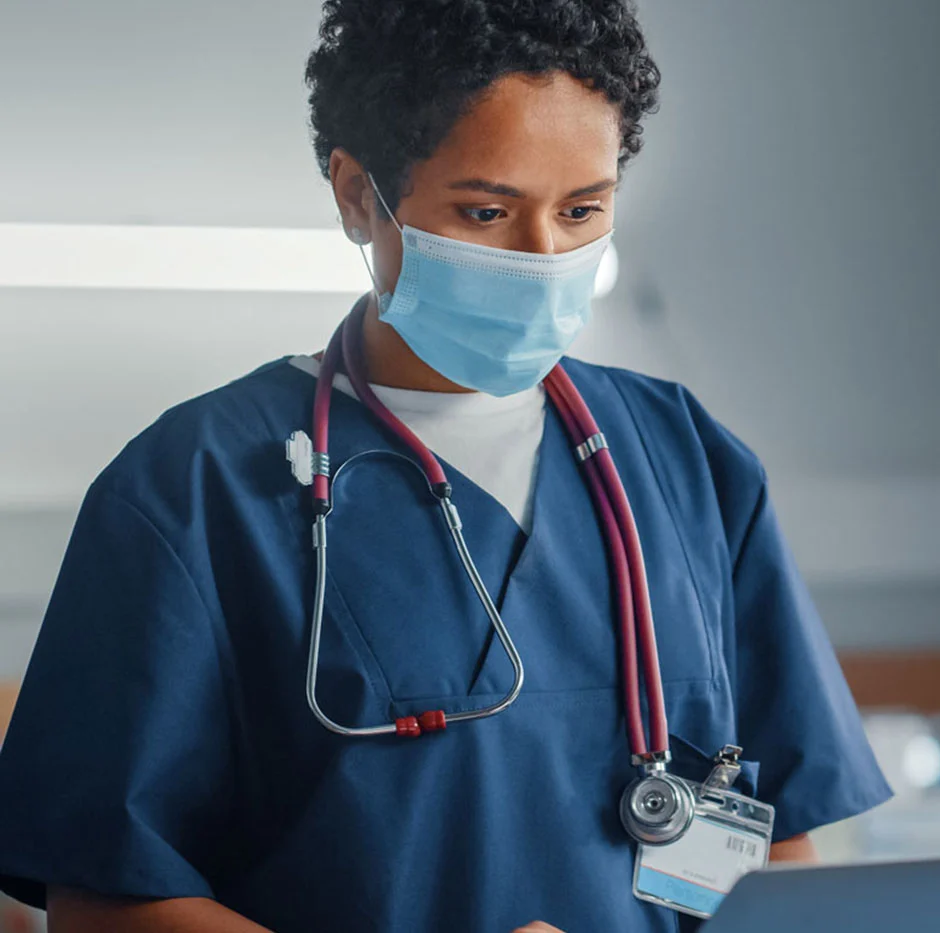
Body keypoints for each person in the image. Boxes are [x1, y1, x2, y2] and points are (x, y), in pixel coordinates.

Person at [0, 1, 890, 931]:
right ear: (357, 195)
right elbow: (102, 900)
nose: (545, 257)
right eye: (487, 210)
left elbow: (780, 844)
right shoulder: (193, 488)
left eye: (582, 209)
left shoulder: (686, 460)